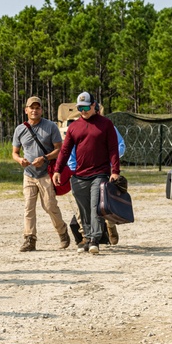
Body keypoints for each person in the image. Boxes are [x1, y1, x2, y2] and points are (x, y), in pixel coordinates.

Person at [52, 91, 119, 255]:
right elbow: (65, 150)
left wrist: (115, 171)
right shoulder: (74, 127)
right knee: (84, 209)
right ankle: (87, 238)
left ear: (94, 105)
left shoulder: (106, 124)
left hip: (100, 173)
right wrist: (58, 170)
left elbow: (113, 149)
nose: (83, 110)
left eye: (86, 107)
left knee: (96, 206)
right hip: (79, 175)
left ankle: (95, 239)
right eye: (80, 107)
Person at [12, 96, 69, 252]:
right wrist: (20, 160)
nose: (34, 110)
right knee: (28, 208)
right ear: (26, 110)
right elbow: (15, 152)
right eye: (32, 108)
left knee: (50, 206)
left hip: (45, 174)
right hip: (29, 174)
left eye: (37, 108)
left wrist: (44, 158)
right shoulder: (20, 129)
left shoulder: (50, 127)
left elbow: (59, 149)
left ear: (41, 110)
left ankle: (62, 231)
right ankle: (30, 239)